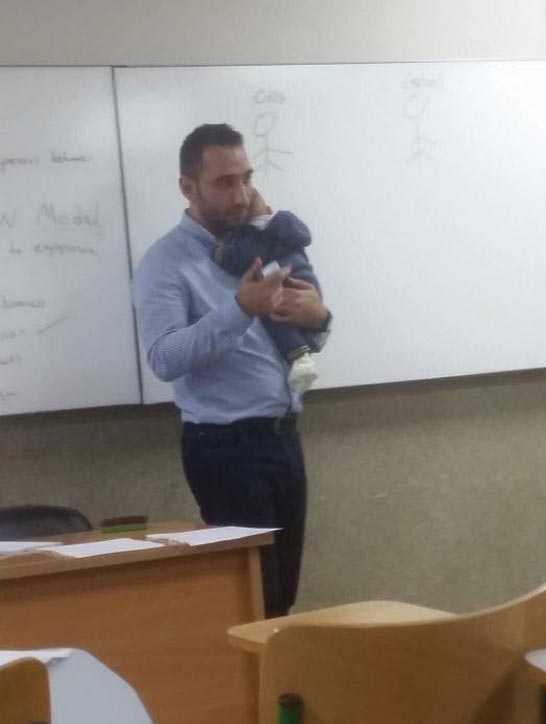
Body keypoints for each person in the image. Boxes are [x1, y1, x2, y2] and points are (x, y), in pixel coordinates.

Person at [132, 123, 331, 617]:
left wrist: (319, 318)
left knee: (282, 595)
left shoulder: (266, 243)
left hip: (284, 437)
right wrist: (239, 308)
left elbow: (302, 335)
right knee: (254, 599)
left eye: (246, 178)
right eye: (224, 182)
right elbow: (164, 358)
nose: (241, 196)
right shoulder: (166, 263)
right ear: (188, 187)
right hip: (224, 448)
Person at [214, 191, 321, 393]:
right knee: (304, 320)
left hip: (286, 284)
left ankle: (299, 357)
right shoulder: (289, 225)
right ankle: (304, 352)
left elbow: (238, 259)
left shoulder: (256, 236)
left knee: (271, 312)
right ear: (270, 209)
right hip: (308, 284)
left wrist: (220, 251)